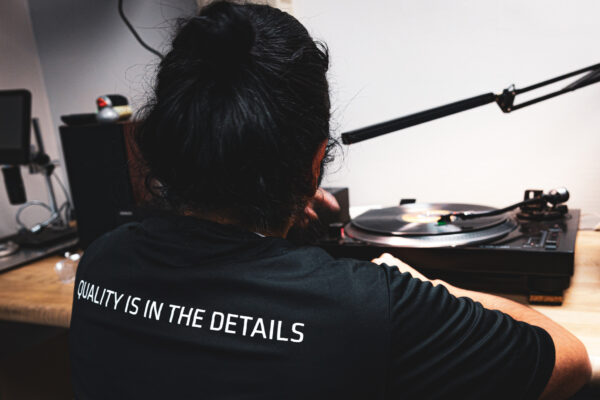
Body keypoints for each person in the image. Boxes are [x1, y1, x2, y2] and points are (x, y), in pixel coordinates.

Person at [69, 1, 591, 399]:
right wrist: (427, 286)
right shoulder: (371, 308)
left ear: (163, 142)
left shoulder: (102, 260)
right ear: (316, 158)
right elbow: (570, 358)